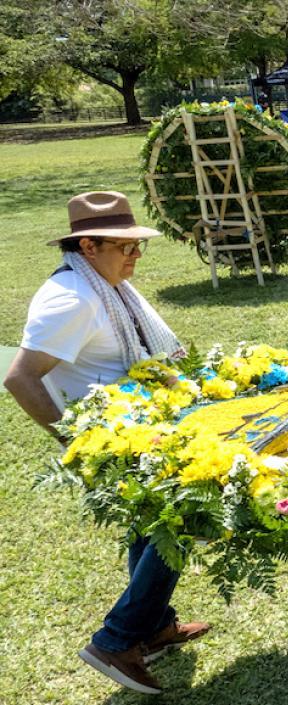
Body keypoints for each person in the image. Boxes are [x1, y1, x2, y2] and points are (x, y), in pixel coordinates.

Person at [4, 191, 209, 696]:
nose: (136, 256)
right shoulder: (71, 298)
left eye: (139, 247)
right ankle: (116, 640)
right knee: (177, 523)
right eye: (125, 248)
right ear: (89, 246)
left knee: (151, 530)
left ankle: (154, 629)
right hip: (113, 436)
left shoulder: (103, 285)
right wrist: (79, 445)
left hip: (142, 427)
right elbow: (20, 379)